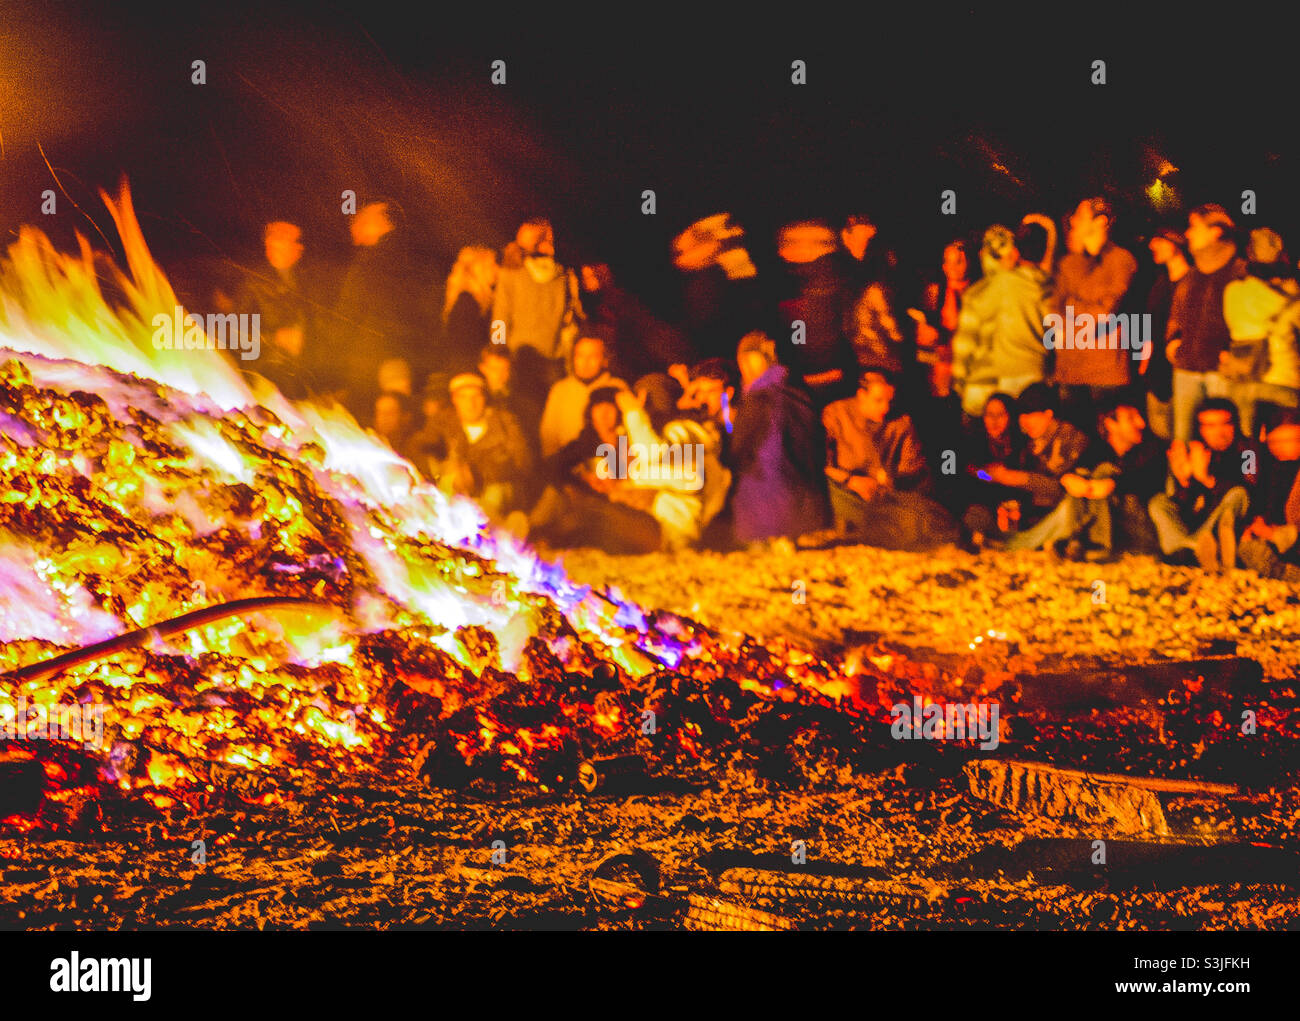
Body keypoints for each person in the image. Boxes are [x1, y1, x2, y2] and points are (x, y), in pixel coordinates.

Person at [1003, 400, 1165, 559]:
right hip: (1101, 523)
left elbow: (1146, 482)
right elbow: (1072, 477)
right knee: (1080, 481)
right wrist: (1072, 480)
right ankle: (1077, 545)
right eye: (1131, 418)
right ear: (1111, 424)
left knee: (1102, 473)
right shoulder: (1097, 450)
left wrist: (1112, 483)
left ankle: (1092, 544)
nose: (1142, 423)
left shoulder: (1151, 450)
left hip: (1139, 533)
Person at [822, 371, 959, 550]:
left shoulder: (900, 423)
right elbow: (822, 463)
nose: (885, 408)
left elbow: (913, 469)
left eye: (889, 401)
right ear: (862, 395)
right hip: (846, 489)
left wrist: (888, 483)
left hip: (884, 496)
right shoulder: (836, 414)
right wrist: (850, 480)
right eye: (878, 401)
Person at [528, 386, 662, 553]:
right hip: (593, 506)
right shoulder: (585, 444)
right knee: (564, 502)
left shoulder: (632, 441)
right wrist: (582, 480)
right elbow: (551, 467)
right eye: (598, 408)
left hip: (630, 509)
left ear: (619, 412)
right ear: (591, 412)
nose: (604, 414)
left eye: (610, 408)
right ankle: (533, 530)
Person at [729, 332, 829, 545]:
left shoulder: (758, 399)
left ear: (747, 362)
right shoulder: (797, 394)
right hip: (802, 505)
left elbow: (739, 449)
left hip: (765, 506)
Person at [332, 201, 428, 418]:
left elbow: (347, 314)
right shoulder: (413, 259)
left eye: (364, 220)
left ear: (383, 224)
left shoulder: (368, 263)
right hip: (405, 361)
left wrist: (333, 363)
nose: (355, 225)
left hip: (368, 363)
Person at [1051, 197, 1140, 425]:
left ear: (1100, 221)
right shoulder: (1068, 263)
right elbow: (1052, 310)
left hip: (1105, 372)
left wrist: (1071, 305)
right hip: (1069, 370)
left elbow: (1104, 313)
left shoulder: (1122, 260)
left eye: (1080, 215)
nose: (1073, 220)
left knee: (1107, 441)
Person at [951, 223, 1053, 416]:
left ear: (983, 254)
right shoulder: (1042, 285)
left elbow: (965, 344)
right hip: (1031, 378)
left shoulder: (981, 293)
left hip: (983, 388)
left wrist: (959, 382)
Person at [405, 373, 532, 523]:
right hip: (454, 491)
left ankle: (492, 531)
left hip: (496, 490)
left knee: (494, 494)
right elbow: (416, 448)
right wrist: (441, 467)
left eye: (476, 396)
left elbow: (523, 463)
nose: (471, 403)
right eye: (463, 397)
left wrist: (476, 473)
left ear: (484, 398)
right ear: (454, 399)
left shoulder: (505, 423)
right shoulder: (443, 422)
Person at [1148, 397, 1257, 572]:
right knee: (1159, 502)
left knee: (1239, 493)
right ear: (1200, 429)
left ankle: (1190, 549)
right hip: (1198, 523)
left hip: (1230, 526)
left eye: (1225, 424)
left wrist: (1207, 479)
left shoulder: (1248, 451)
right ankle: (1180, 549)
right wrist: (1184, 481)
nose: (1219, 432)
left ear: (1235, 425)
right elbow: (1185, 506)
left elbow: (1250, 489)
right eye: (1210, 426)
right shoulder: (1198, 450)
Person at [1166, 204, 1246, 441]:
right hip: (1186, 369)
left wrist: (1236, 358)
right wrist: (1173, 344)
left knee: (1227, 440)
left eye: (1193, 227)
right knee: (1183, 440)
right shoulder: (1191, 276)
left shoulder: (1242, 273)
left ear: (1216, 232)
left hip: (1224, 374)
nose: (1187, 233)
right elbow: (1176, 316)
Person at [976, 382, 1089, 546]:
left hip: (1066, 509)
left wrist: (1016, 478)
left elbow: (1061, 487)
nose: (1025, 421)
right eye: (1022, 415)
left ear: (1048, 414)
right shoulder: (1027, 442)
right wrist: (988, 476)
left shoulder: (1068, 439)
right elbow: (979, 473)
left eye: (1030, 414)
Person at [1221, 227, 1300, 438]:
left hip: (1242, 378)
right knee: (1284, 449)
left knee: (1248, 446)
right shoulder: (1293, 297)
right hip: (1283, 379)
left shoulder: (1233, 292)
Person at [774, 220, 860, 404]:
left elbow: (800, 332)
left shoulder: (804, 287)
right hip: (828, 377)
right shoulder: (796, 287)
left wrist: (804, 373)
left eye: (821, 243)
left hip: (820, 379)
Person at [490, 218, 583, 387]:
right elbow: (570, 319)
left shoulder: (510, 273)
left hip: (519, 355)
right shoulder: (563, 276)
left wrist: (498, 349)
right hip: (554, 356)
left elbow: (500, 316)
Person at [578, 261, 694, 383]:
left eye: (593, 276)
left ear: (603, 275)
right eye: (585, 277)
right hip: (612, 363)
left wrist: (669, 364)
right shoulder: (588, 306)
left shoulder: (619, 300)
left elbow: (645, 331)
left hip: (633, 362)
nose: (588, 281)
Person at [537, 328, 628, 457]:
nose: (585, 363)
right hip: (568, 466)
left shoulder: (617, 387)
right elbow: (548, 437)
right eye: (580, 355)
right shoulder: (560, 390)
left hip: (609, 466)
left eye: (593, 357)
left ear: (605, 361)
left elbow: (628, 434)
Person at [1239, 409, 1300, 581]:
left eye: (1292, 440)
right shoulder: (1264, 461)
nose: (1283, 446)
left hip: (1292, 543)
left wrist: (1274, 534)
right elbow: (1247, 473)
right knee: (1249, 548)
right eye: (1275, 441)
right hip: (1274, 540)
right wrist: (1257, 525)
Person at [1141, 227, 1191, 441]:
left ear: (1176, 242)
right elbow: (1151, 326)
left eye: (1159, 239)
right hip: (1158, 371)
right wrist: (1145, 363)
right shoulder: (1159, 283)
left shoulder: (1194, 282)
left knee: (1184, 435)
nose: (1152, 245)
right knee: (1161, 435)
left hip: (1183, 370)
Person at [442, 245, 498, 373]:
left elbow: (497, 339)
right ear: (479, 270)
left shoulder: (484, 302)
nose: (497, 269)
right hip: (471, 374)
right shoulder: (466, 304)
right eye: (492, 265)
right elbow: (465, 350)